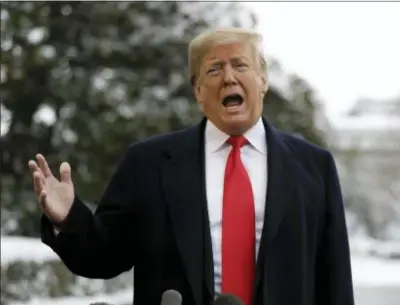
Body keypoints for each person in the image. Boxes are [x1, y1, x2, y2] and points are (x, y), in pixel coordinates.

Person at [29, 28, 354, 305]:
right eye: (214, 70)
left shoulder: (314, 166)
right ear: (198, 91)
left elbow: (334, 279)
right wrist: (69, 216)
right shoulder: (148, 163)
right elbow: (103, 256)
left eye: (240, 65)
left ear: (263, 80)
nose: (228, 77)